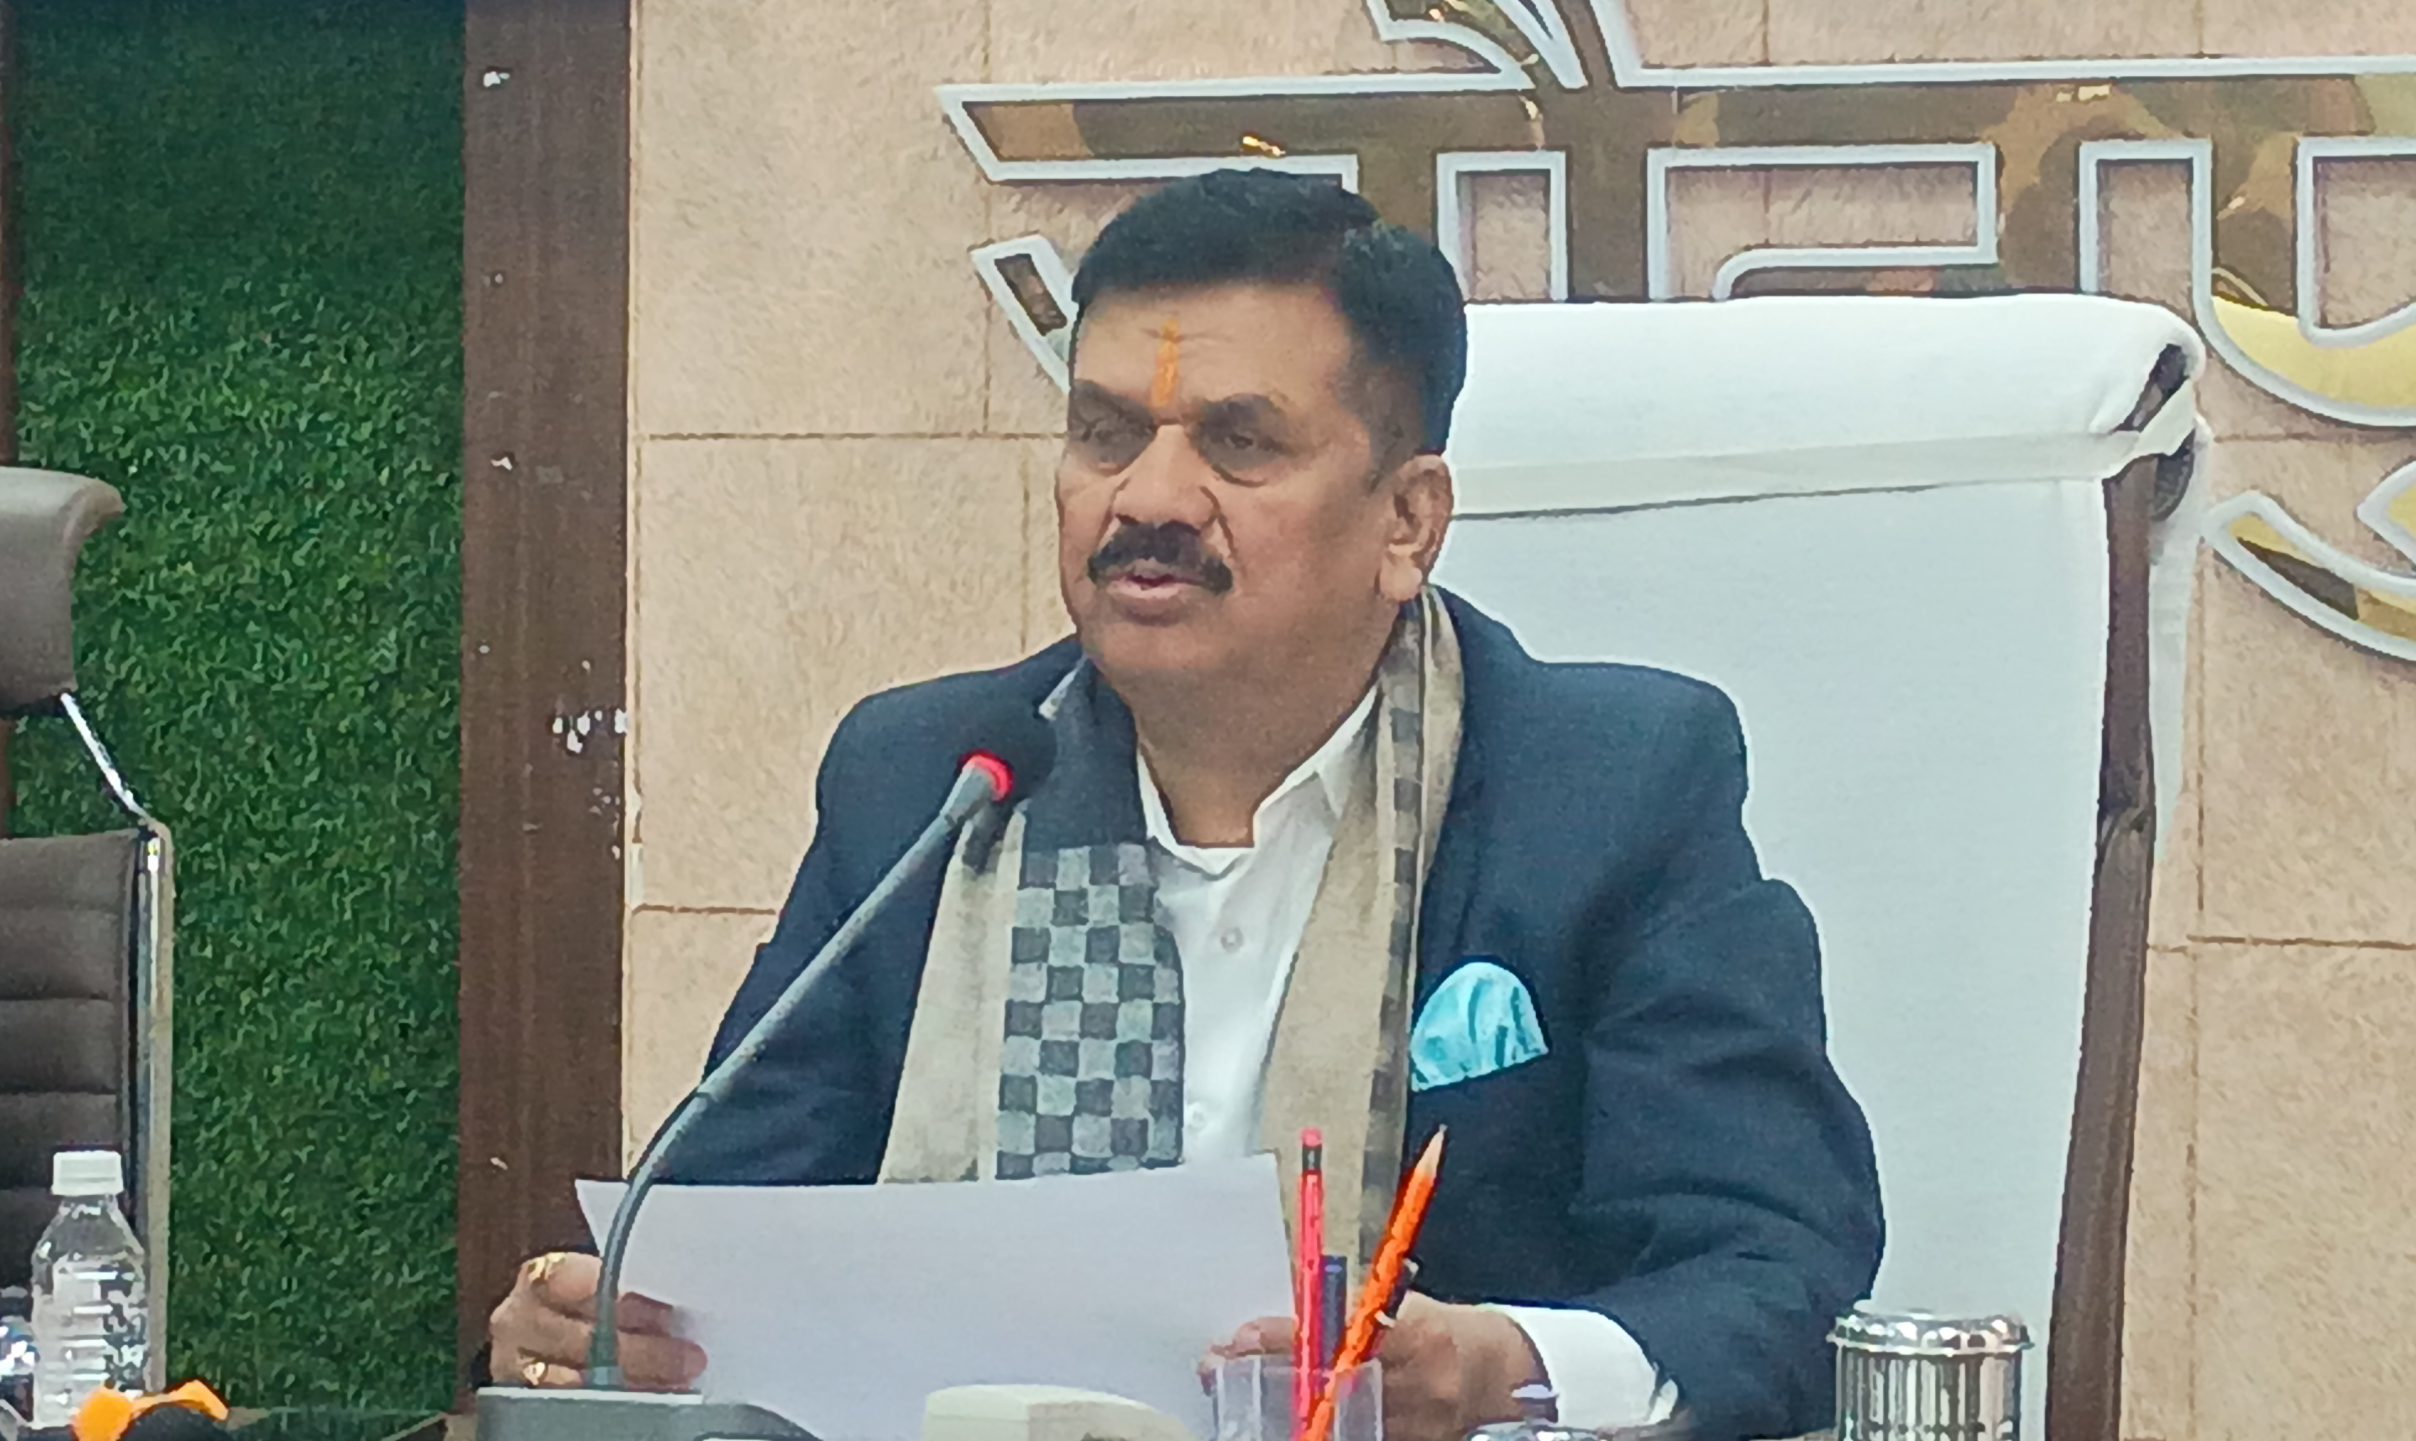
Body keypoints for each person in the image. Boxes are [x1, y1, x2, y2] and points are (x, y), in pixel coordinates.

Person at [487, 169, 1882, 1441]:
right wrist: (601, 1329)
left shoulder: (1610, 784)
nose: (1148, 496)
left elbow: (1772, 1271)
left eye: (1239, 442)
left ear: (1407, 520)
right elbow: (725, 1235)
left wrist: (1497, 1366)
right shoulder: (933, 781)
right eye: (1104, 434)